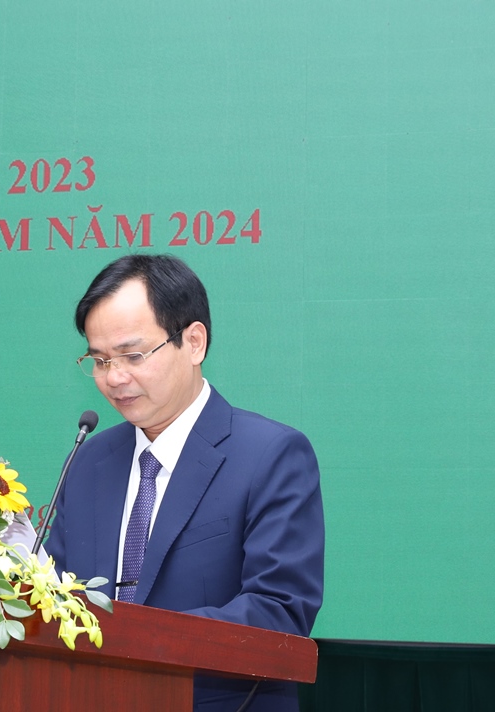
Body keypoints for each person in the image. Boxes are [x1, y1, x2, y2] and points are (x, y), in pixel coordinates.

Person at [44, 254, 324, 712]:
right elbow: (53, 591)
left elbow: (279, 611)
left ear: (193, 342)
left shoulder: (271, 455)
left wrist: (132, 640)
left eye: (133, 355)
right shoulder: (90, 459)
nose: (114, 377)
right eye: (99, 360)